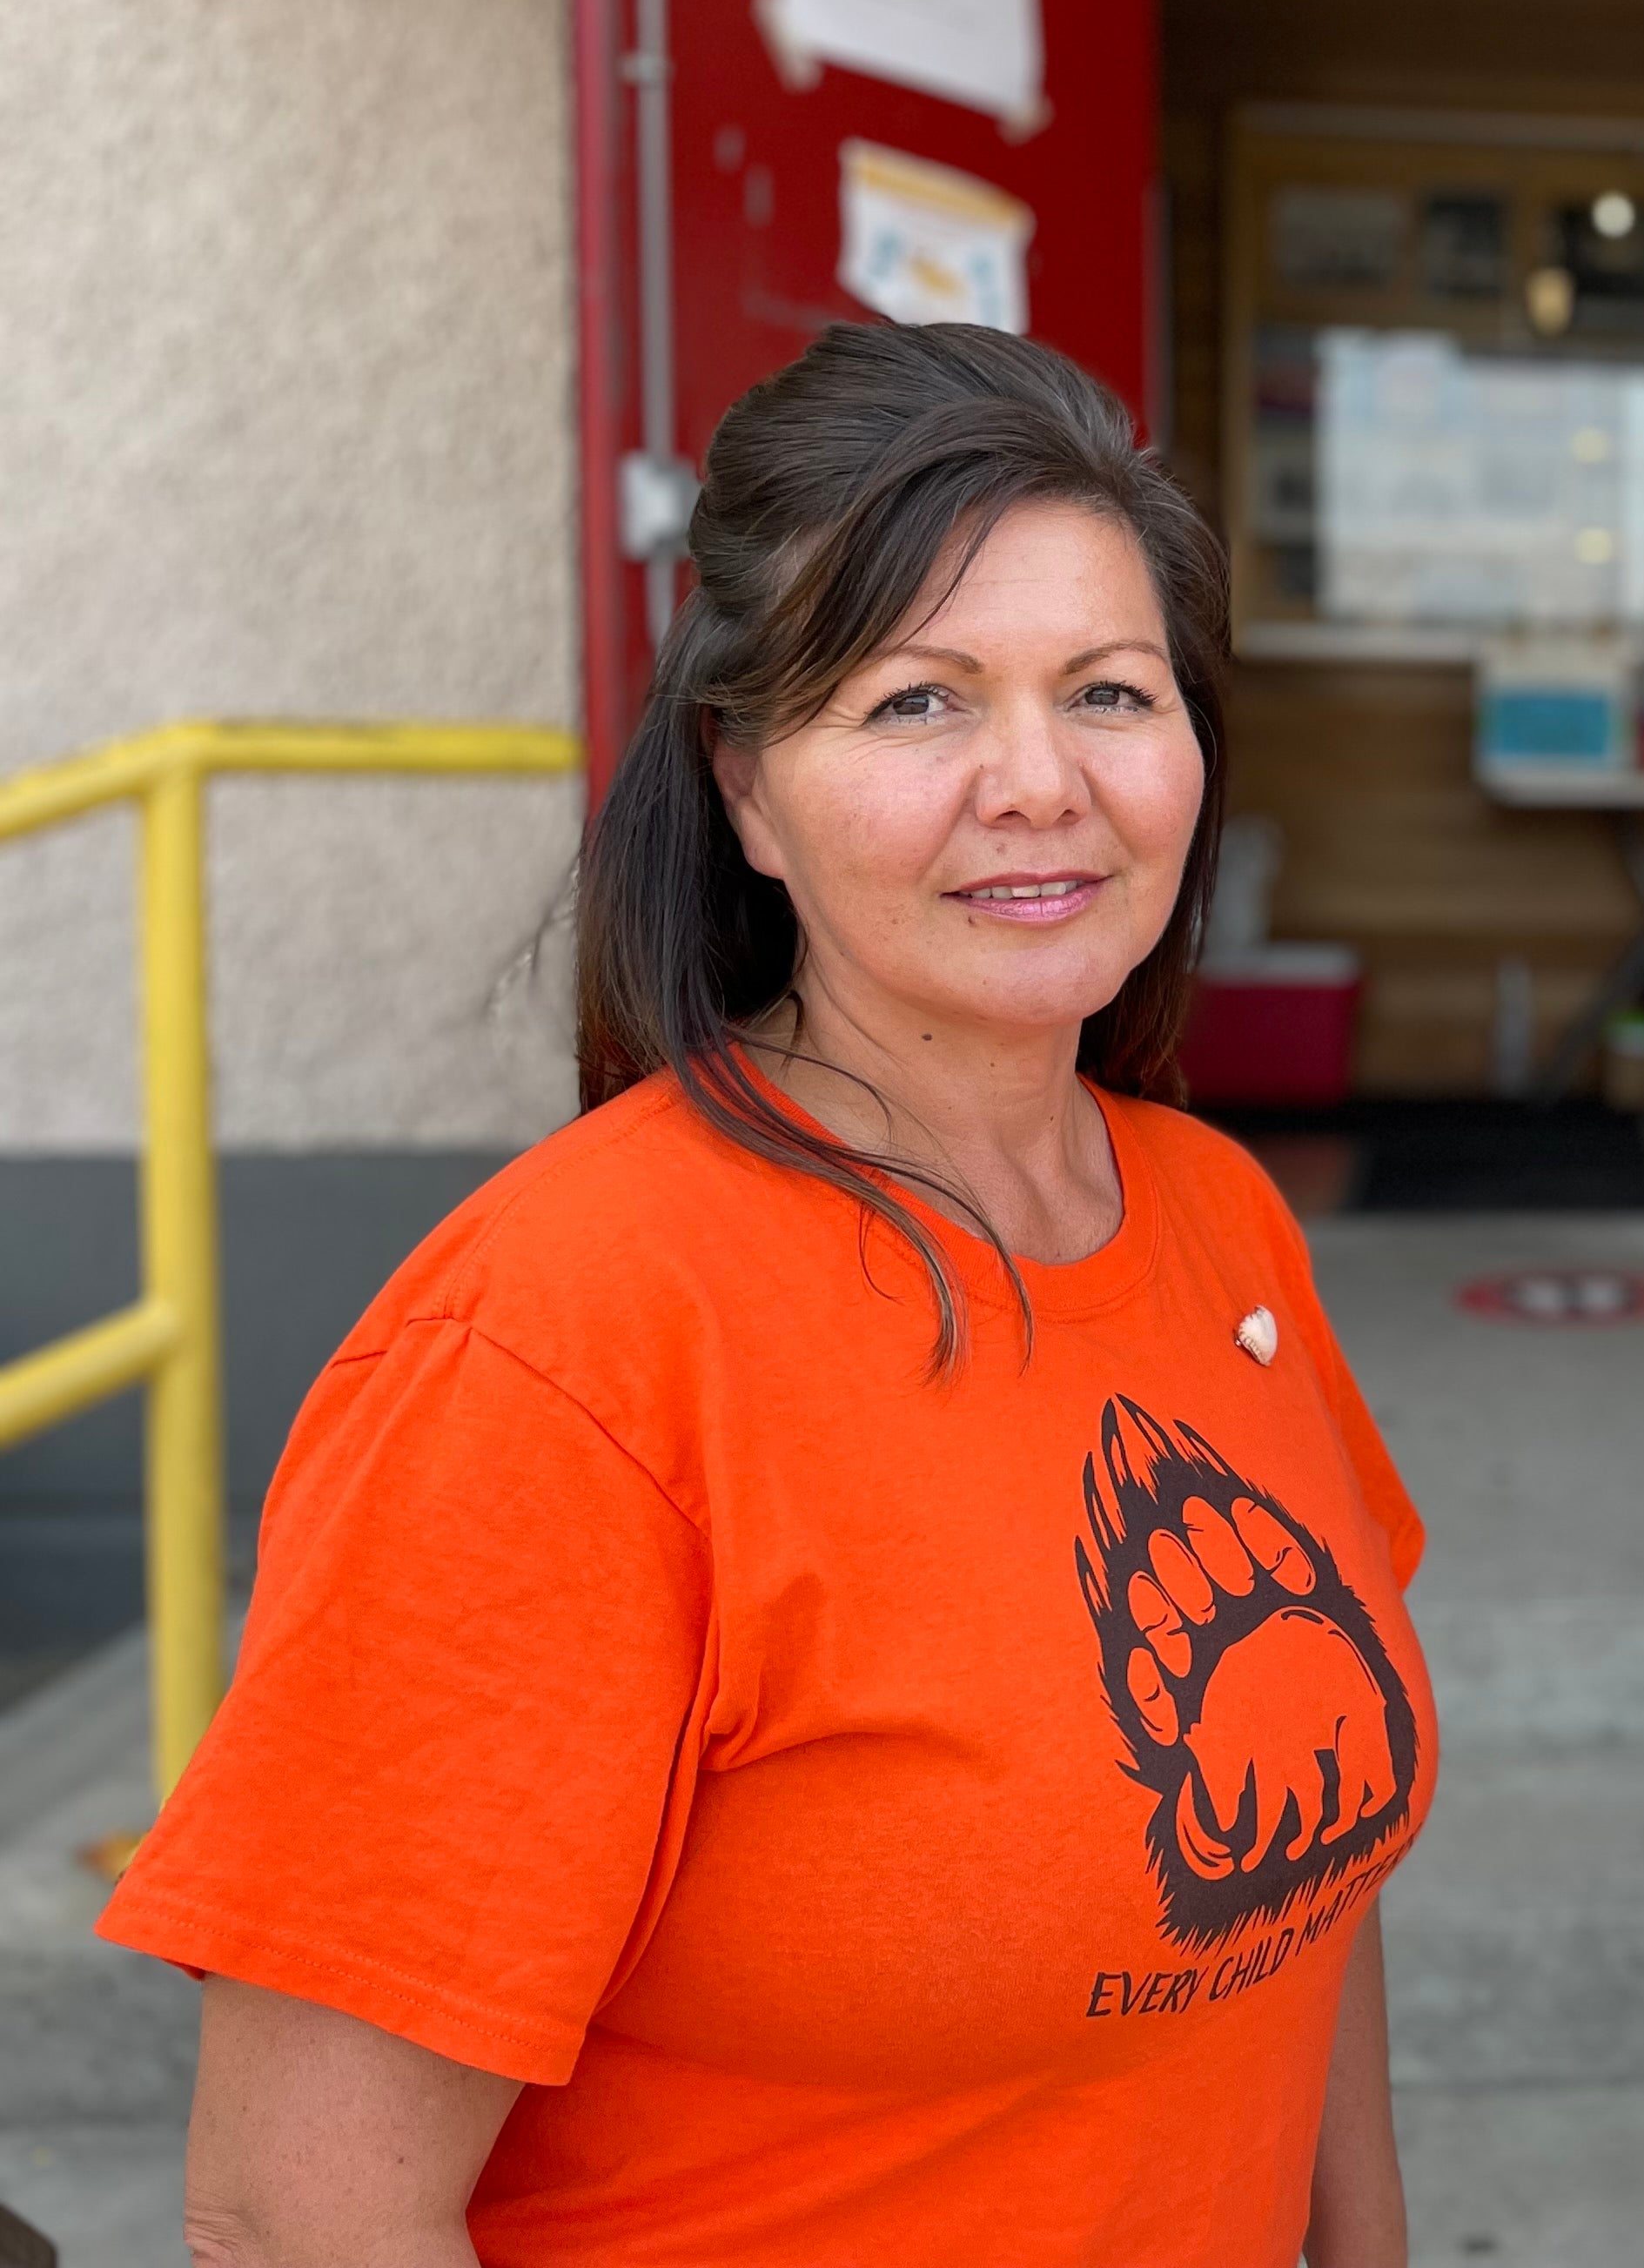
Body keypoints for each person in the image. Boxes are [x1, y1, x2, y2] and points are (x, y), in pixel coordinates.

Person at [100, 324, 1433, 2268]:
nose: (1040, 783)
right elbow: (299, 2216)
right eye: (918, 705)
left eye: (1110, 691)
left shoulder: (1222, 1221)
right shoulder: (569, 1341)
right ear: (746, 788)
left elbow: (1304, 1906)